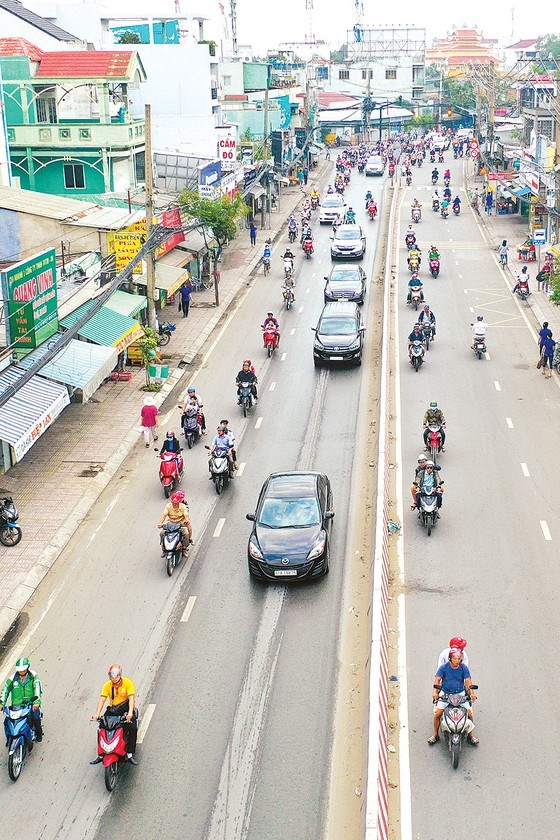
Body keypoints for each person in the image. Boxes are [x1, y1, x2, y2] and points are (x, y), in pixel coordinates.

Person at [429, 647, 478, 745]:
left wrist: (472, 694)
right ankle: (435, 735)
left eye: (459, 658)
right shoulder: (443, 668)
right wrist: (435, 692)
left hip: (460, 694)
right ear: (450, 658)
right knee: (438, 714)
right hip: (445, 694)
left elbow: (468, 681)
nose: (457, 661)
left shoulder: (464, 668)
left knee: (470, 714)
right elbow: (437, 680)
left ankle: (471, 735)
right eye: (455, 658)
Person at [91, 664, 138, 764]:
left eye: (116, 676)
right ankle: (100, 754)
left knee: (132, 728)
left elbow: (131, 699)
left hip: (126, 708)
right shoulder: (107, 685)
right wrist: (97, 713)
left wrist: (130, 712)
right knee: (101, 727)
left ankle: (130, 753)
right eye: (112, 676)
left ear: (120, 675)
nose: (114, 678)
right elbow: (102, 699)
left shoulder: (128, 683)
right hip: (114, 709)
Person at [0, 657, 43, 743]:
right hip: (17, 706)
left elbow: (37, 688)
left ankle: (39, 733)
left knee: (35, 716)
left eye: (23, 670)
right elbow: (5, 690)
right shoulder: (12, 679)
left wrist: (36, 702)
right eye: (20, 671)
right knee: (8, 721)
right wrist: (1, 702)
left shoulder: (33, 676)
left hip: (31, 704)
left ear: (27, 668)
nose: (21, 672)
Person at [157, 490, 192, 556]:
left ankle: (184, 548)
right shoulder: (168, 506)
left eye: (176, 503)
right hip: (171, 522)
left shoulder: (183, 506)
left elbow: (186, 515)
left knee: (186, 533)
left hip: (181, 523)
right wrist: (160, 523)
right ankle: (164, 548)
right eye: (173, 502)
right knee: (162, 533)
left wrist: (187, 520)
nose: (174, 504)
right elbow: (164, 515)